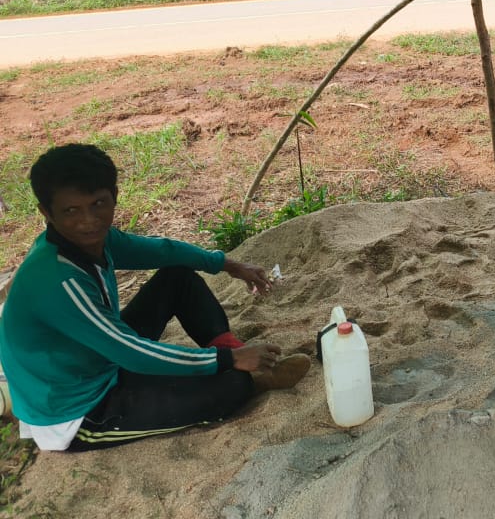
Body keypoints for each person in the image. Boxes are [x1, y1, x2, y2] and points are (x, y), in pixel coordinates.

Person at [0, 143, 311, 452]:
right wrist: (226, 362)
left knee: (177, 277)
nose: (89, 220)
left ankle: (235, 351)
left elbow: (162, 251)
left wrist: (229, 265)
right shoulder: (59, 279)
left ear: (114, 195)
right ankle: (247, 374)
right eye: (71, 210)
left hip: (96, 359)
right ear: (46, 212)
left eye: (98, 203)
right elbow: (130, 352)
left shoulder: (92, 240)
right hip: (77, 410)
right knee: (231, 387)